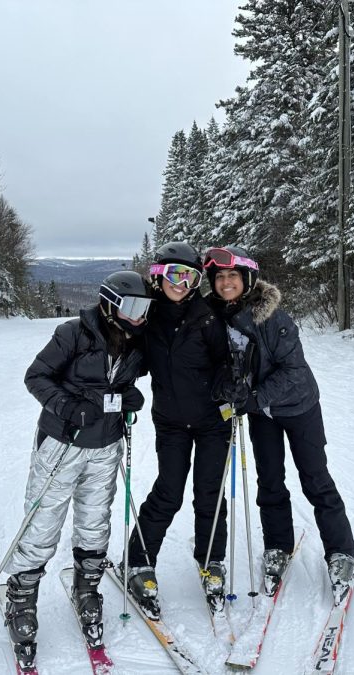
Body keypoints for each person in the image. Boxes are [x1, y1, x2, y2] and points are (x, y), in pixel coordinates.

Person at [3, 270, 152, 669]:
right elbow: (35, 377)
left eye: (146, 308)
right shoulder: (72, 333)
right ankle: (21, 598)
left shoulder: (139, 343)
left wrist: (129, 396)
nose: (140, 316)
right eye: (133, 307)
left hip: (106, 446)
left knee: (94, 521)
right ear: (110, 304)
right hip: (62, 443)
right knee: (43, 521)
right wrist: (68, 407)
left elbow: (131, 382)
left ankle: (87, 588)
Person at [204, 246, 354, 603]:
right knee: (270, 480)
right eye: (220, 277)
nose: (226, 283)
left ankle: (340, 550)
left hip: (297, 406)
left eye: (232, 277)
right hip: (261, 414)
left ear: (247, 280)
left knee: (315, 479)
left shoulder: (272, 317)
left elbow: (293, 370)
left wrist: (253, 398)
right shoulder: (216, 317)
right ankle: (277, 545)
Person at [123, 241, 233, 618]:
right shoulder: (148, 317)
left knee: (210, 493)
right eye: (174, 274)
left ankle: (211, 559)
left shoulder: (207, 317)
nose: (181, 283)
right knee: (169, 492)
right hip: (171, 421)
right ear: (159, 276)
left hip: (211, 422)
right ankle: (138, 560)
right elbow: (131, 359)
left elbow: (224, 362)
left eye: (189, 276)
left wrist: (228, 384)